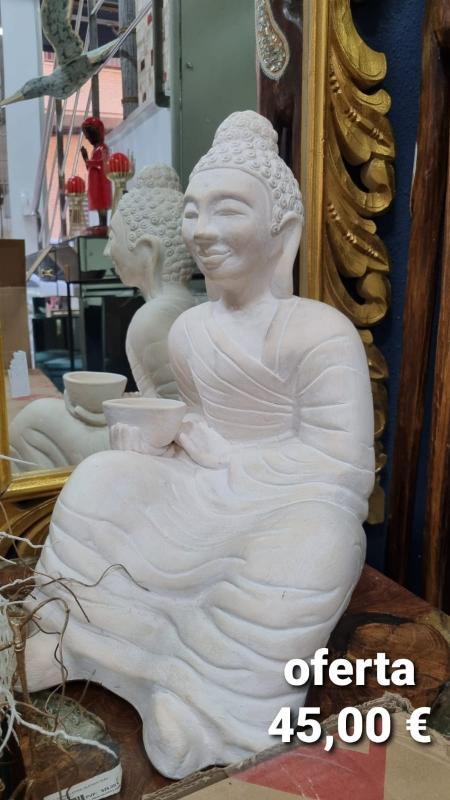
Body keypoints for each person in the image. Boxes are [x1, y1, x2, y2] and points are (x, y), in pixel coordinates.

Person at [26, 111, 375, 779]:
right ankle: (67, 636)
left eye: (228, 210)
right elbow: (195, 425)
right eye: (193, 213)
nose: (204, 231)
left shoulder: (320, 332)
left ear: (282, 231)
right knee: (100, 478)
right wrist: (166, 441)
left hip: (281, 505)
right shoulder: (189, 331)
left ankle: (209, 706)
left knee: (323, 545)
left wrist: (232, 463)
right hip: (198, 490)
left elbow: (344, 468)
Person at [105, 165, 195, 398]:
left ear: (148, 252)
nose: (107, 251)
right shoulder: (184, 304)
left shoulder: (152, 319)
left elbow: (177, 408)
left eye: (113, 238)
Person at [81, 116, 112, 231]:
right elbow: (90, 167)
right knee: (99, 203)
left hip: (101, 182)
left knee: (102, 203)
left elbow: (101, 163)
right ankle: (101, 223)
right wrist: (86, 158)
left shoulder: (103, 148)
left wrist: (87, 160)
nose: (87, 138)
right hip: (95, 182)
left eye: (89, 135)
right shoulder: (96, 149)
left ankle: (103, 223)